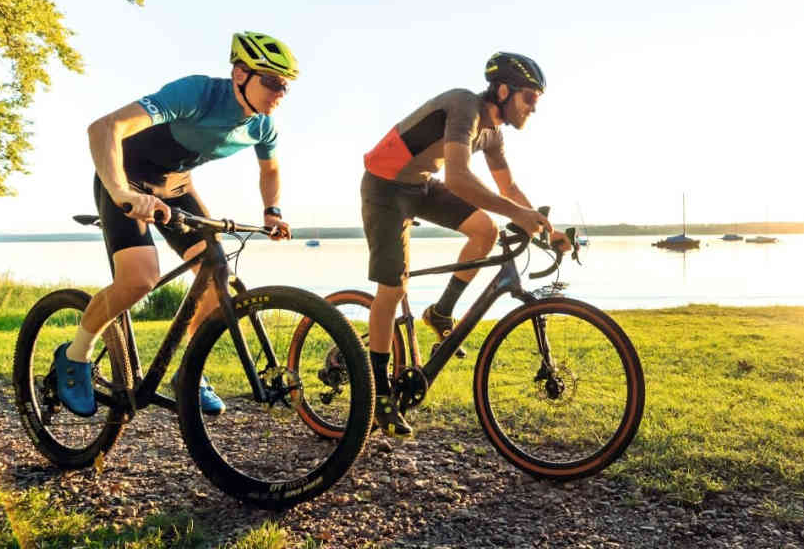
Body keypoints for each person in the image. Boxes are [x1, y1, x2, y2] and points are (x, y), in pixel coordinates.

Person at [53, 31, 299, 418]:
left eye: (285, 85)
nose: (279, 92)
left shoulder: (262, 126)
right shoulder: (197, 93)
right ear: (239, 74)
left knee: (218, 273)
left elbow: (271, 169)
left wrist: (273, 211)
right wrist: (122, 193)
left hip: (176, 186)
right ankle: (75, 354)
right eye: (270, 81)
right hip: (127, 178)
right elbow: (104, 128)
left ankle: (188, 372)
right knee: (139, 280)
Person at [360, 52, 570, 436]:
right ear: (504, 90)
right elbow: (458, 177)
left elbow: (508, 187)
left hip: (421, 184)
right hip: (386, 186)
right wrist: (517, 213)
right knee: (392, 287)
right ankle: (377, 396)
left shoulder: (494, 134)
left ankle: (440, 313)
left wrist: (545, 225)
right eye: (530, 98)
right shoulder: (465, 106)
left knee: (485, 230)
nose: (534, 109)